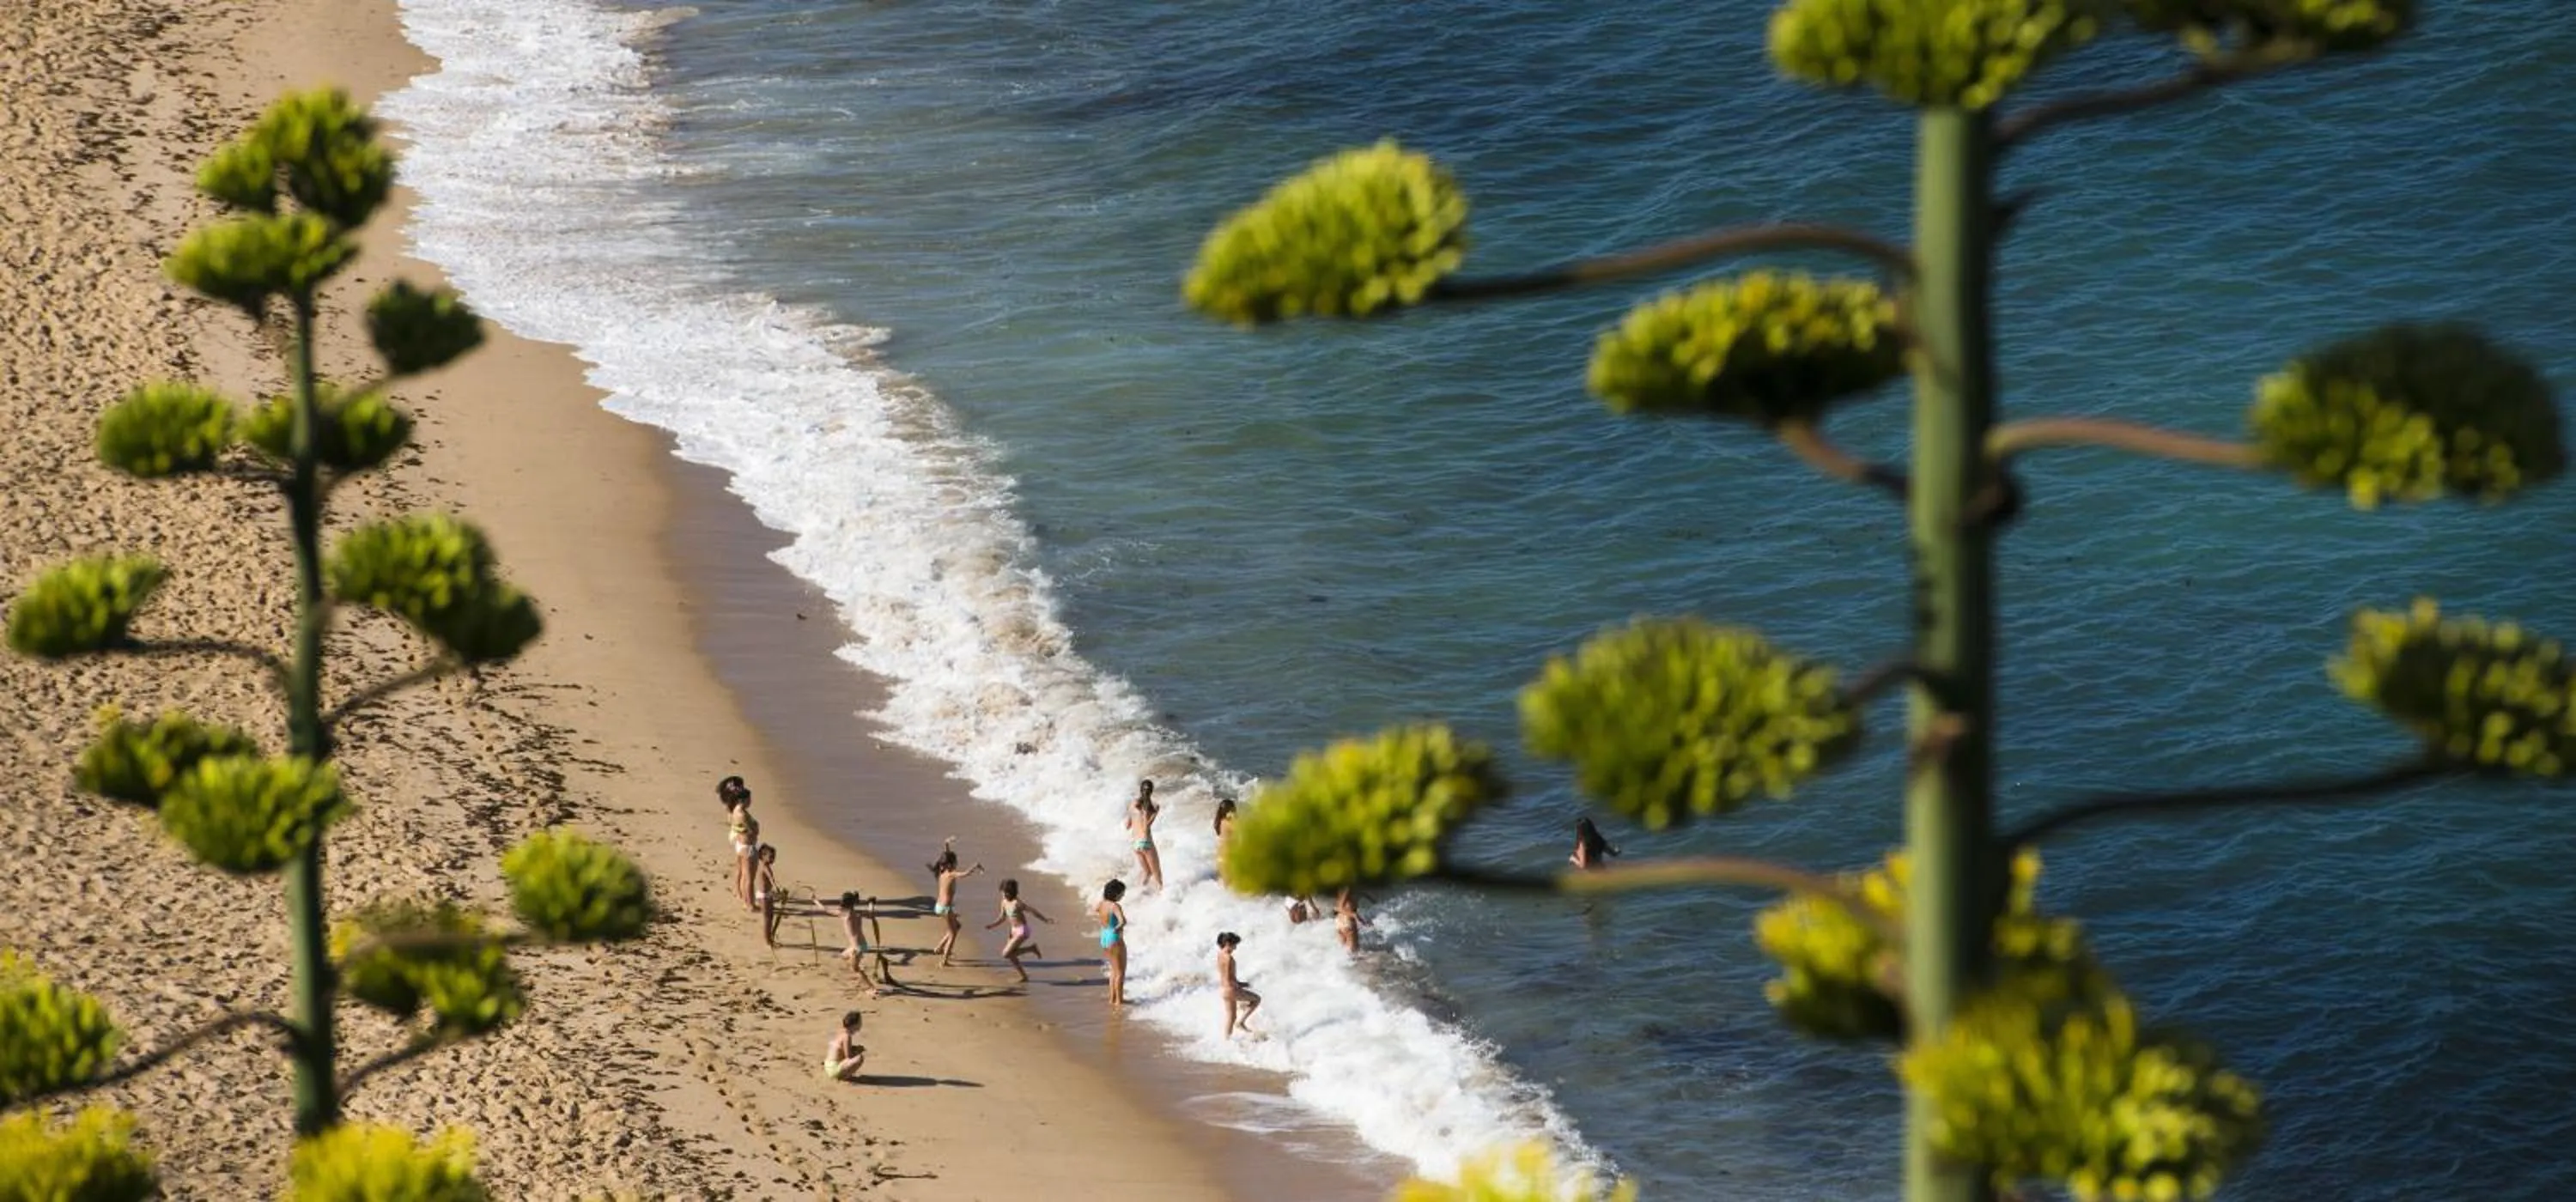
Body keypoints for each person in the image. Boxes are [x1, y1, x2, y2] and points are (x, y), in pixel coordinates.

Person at [820, 891, 893, 997]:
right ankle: (859, 968)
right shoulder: (857, 914)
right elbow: (871, 914)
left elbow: (825, 910)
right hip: (862, 945)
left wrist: (815, 901)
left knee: (855, 968)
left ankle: (872, 988)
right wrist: (871, 903)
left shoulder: (845, 914)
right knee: (844, 956)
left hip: (857, 948)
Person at [927, 838, 985, 968]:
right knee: (953, 933)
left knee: (956, 927)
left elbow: (946, 858)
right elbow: (965, 874)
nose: (957, 863)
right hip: (945, 908)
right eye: (955, 862)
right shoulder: (951, 874)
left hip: (939, 907)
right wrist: (975, 866)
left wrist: (946, 844)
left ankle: (939, 948)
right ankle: (944, 961)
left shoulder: (942, 873)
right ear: (950, 865)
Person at [984, 878, 1054, 983]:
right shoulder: (1003, 902)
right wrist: (992, 925)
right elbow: (1002, 917)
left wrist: (1045, 919)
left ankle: (1031, 949)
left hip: (1022, 931)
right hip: (1013, 931)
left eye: (1006, 892)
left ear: (1012, 892)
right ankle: (1024, 976)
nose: (1004, 894)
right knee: (1011, 955)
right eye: (1003, 892)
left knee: (1006, 954)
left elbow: (1032, 911)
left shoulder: (1017, 903)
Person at [1215, 932, 1261, 1039]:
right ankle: (1241, 1022)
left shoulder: (1220, 954)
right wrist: (1239, 986)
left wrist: (1242, 984)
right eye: (1234, 945)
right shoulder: (1228, 958)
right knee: (1257, 999)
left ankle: (1226, 1041)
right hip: (1231, 990)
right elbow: (1228, 978)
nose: (1235, 948)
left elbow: (1225, 976)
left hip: (1224, 990)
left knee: (1231, 1017)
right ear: (1227, 943)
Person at [1095, 878, 1129, 1007]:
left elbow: (1095, 910)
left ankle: (1112, 998)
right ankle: (1119, 1001)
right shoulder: (1115, 906)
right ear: (1116, 894)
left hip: (1104, 936)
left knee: (1113, 971)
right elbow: (1123, 921)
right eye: (1122, 893)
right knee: (1120, 972)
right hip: (1114, 937)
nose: (1123, 896)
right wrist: (1117, 928)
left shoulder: (1101, 904)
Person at [726, 786, 760, 912]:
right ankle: (750, 904)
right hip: (747, 847)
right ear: (743, 800)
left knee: (743, 874)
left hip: (741, 844)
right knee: (749, 877)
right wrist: (756, 825)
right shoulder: (742, 814)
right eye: (749, 799)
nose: (750, 802)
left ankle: (744, 899)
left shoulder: (735, 810)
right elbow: (754, 830)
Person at [1127, 780, 1163, 892]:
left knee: (1147, 873)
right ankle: (1162, 897)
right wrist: (1153, 814)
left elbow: (1127, 825)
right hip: (1145, 842)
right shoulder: (1153, 806)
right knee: (1158, 876)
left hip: (1135, 843)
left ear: (1140, 790)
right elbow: (1146, 828)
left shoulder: (1132, 804)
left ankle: (1139, 893)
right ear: (1151, 791)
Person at [823, 1010, 866, 1083]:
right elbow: (848, 1056)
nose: (861, 1024)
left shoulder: (841, 1031)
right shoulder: (847, 1036)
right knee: (860, 1058)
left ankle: (843, 1074)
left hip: (828, 1065)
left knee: (855, 1053)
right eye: (860, 1022)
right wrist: (857, 1051)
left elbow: (842, 1048)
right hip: (834, 1069)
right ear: (854, 1024)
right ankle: (845, 1076)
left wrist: (855, 1048)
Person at [754, 844, 784, 947]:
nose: (773, 859)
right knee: (767, 918)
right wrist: (778, 889)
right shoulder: (765, 867)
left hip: (766, 894)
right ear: (763, 856)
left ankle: (769, 937)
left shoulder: (763, 866)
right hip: (764, 896)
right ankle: (768, 940)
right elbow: (772, 879)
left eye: (774, 857)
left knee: (770, 917)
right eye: (770, 857)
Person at [1334, 888, 1371, 957]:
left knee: (1344, 954)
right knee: (1354, 954)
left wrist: (1369, 898)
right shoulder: (1347, 887)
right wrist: (1354, 915)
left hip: (1339, 922)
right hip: (1347, 920)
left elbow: (1356, 894)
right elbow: (1338, 908)